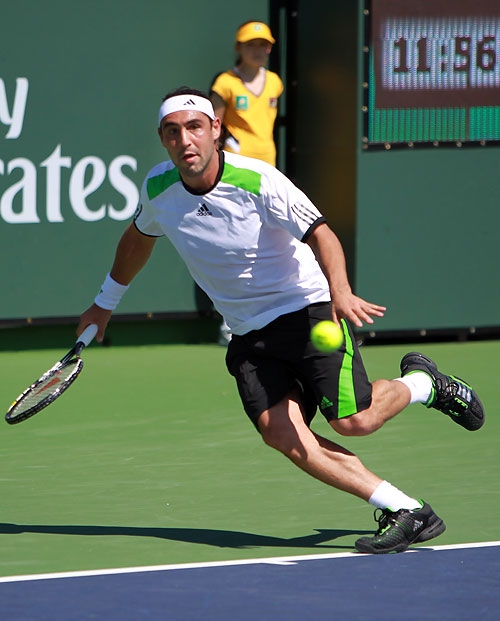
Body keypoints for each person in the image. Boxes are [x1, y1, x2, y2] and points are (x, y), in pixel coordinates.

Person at [78, 87, 485, 555]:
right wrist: (104, 303)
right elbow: (137, 239)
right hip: (247, 332)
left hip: (307, 311)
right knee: (280, 432)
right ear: (162, 139)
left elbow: (322, 234)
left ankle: (423, 384)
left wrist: (340, 290)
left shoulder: (258, 179)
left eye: (194, 127)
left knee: (354, 421)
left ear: (215, 129)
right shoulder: (158, 188)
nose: (185, 140)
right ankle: (406, 509)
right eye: (173, 132)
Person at [209, 20, 283, 167]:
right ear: (238, 47)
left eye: (263, 45)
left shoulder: (275, 81)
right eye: (251, 44)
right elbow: (213, 126)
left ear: (269, 48)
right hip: (235, 159)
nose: (257, 50)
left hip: (267, 158)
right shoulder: (225, 82)